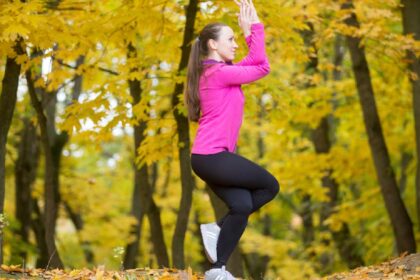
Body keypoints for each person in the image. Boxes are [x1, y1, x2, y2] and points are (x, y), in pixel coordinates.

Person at [184, 0, 280, 279]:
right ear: (213, 45)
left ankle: (217, 270)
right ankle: (217, 229)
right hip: (212, 157)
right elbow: (263, 68)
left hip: (210, 159)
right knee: (269, 185)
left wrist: (251, 31)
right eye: (230, 39)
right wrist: (256, 28)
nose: (235, 44)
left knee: (242, 206)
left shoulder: (219, 73)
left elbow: (254, 62)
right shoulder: (218, 73)